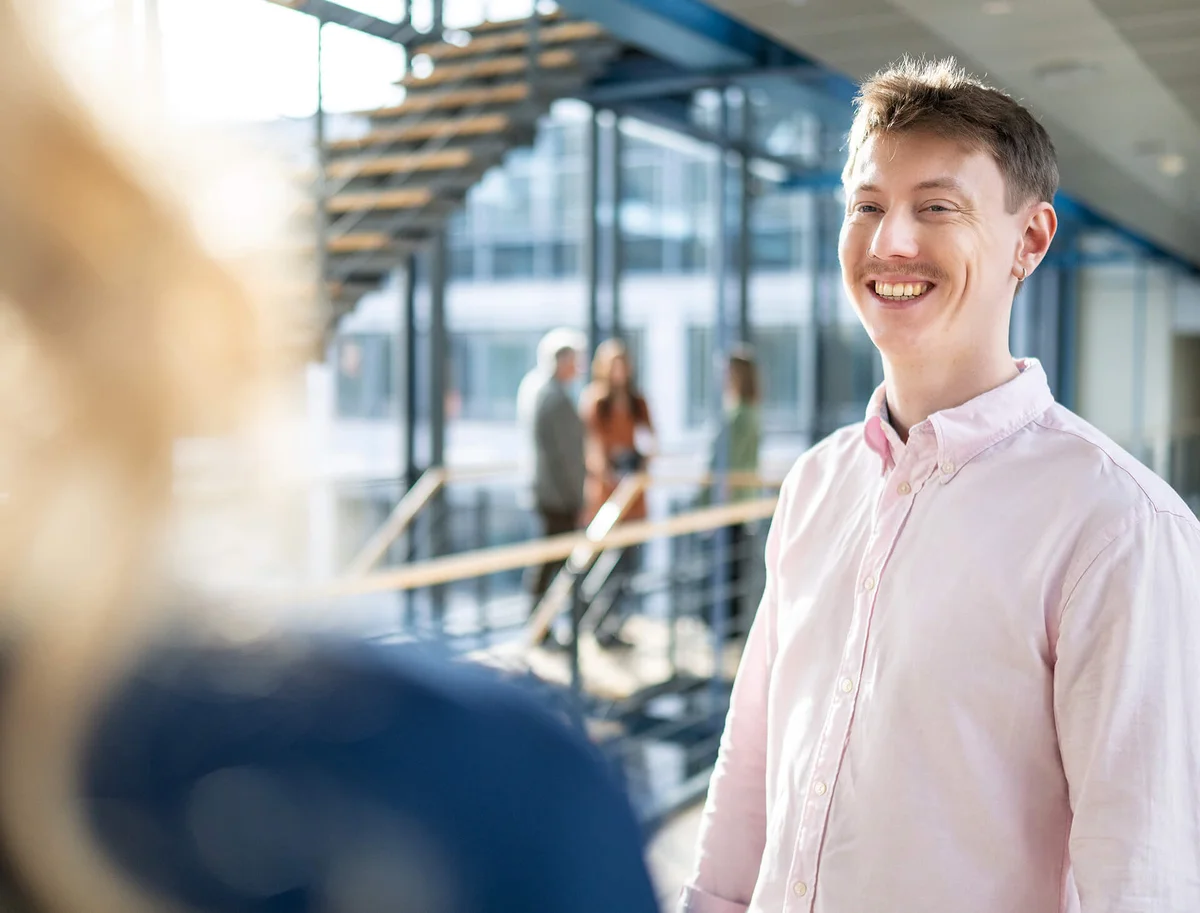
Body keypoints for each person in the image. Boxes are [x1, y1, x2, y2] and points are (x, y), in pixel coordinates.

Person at [0, 5, 661, 912]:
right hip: (571, 498)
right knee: (562, 581)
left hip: (608, 498)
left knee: (593, 579)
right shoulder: (444, 797)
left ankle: (580, 629)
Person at [682, 57, 1200, 913]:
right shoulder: (816, 484)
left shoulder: (1117, 525)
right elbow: (751, 769)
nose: (891, 241)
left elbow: (1143, 876)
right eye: (868, 206)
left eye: (937, 207)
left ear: (1029, 241)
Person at [579, 339, 657, 647]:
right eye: (613, 364)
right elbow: (594, 449)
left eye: (622, 363)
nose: (619, 371)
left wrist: (639, 462)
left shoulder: (638, 402)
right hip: (609, 496)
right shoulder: (596, 401)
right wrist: (611, 472)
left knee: (629, 565)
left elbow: (651, 441)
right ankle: (597, 624)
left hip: (634, 494)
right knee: (608, 563)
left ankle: (611, 625)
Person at [517, 328, 587, 613]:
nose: (579, 368)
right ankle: (542, 623)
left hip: (546, 490)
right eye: (575, 361)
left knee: (553, 559)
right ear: (560, 362)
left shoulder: (536, 387)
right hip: (558, 494)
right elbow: (565, 456)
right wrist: (578, 497)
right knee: (557, 560)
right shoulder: (555, 397)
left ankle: (547, 621)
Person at [699, 346, 762, 639]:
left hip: (729, 505)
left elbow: (730, 463)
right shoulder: (749, 411)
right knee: (732, 569)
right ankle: (727, 632)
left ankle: (723, 633)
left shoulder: (739, 415)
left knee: (724, 570)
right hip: (741, 503)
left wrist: (713, 507)